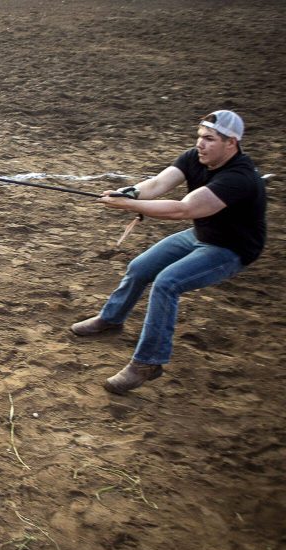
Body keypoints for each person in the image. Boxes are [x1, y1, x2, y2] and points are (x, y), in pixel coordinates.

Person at [71, 110, 266, 395]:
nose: (200, 144)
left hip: (230, 248)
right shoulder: (195, 157)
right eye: (200, 137)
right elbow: (158, 184)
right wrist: (130, 193)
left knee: (167, 283)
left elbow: (183, 209)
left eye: (209, 139)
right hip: (201, 234)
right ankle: (111, 319)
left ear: (231, 143)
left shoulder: (239, 178)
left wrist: (129, 206)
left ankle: (148, 363)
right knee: (140, 267)